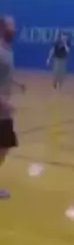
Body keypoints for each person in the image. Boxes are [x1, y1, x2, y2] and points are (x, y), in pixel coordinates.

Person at [0, 16, 26, 199]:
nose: (14, 29)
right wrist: (3, 102)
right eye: (11, 26)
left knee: (4, 148)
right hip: (1, 108)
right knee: (3, 148)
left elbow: (5, 75)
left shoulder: (8, 51)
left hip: (4, 110)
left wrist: (17, 83)